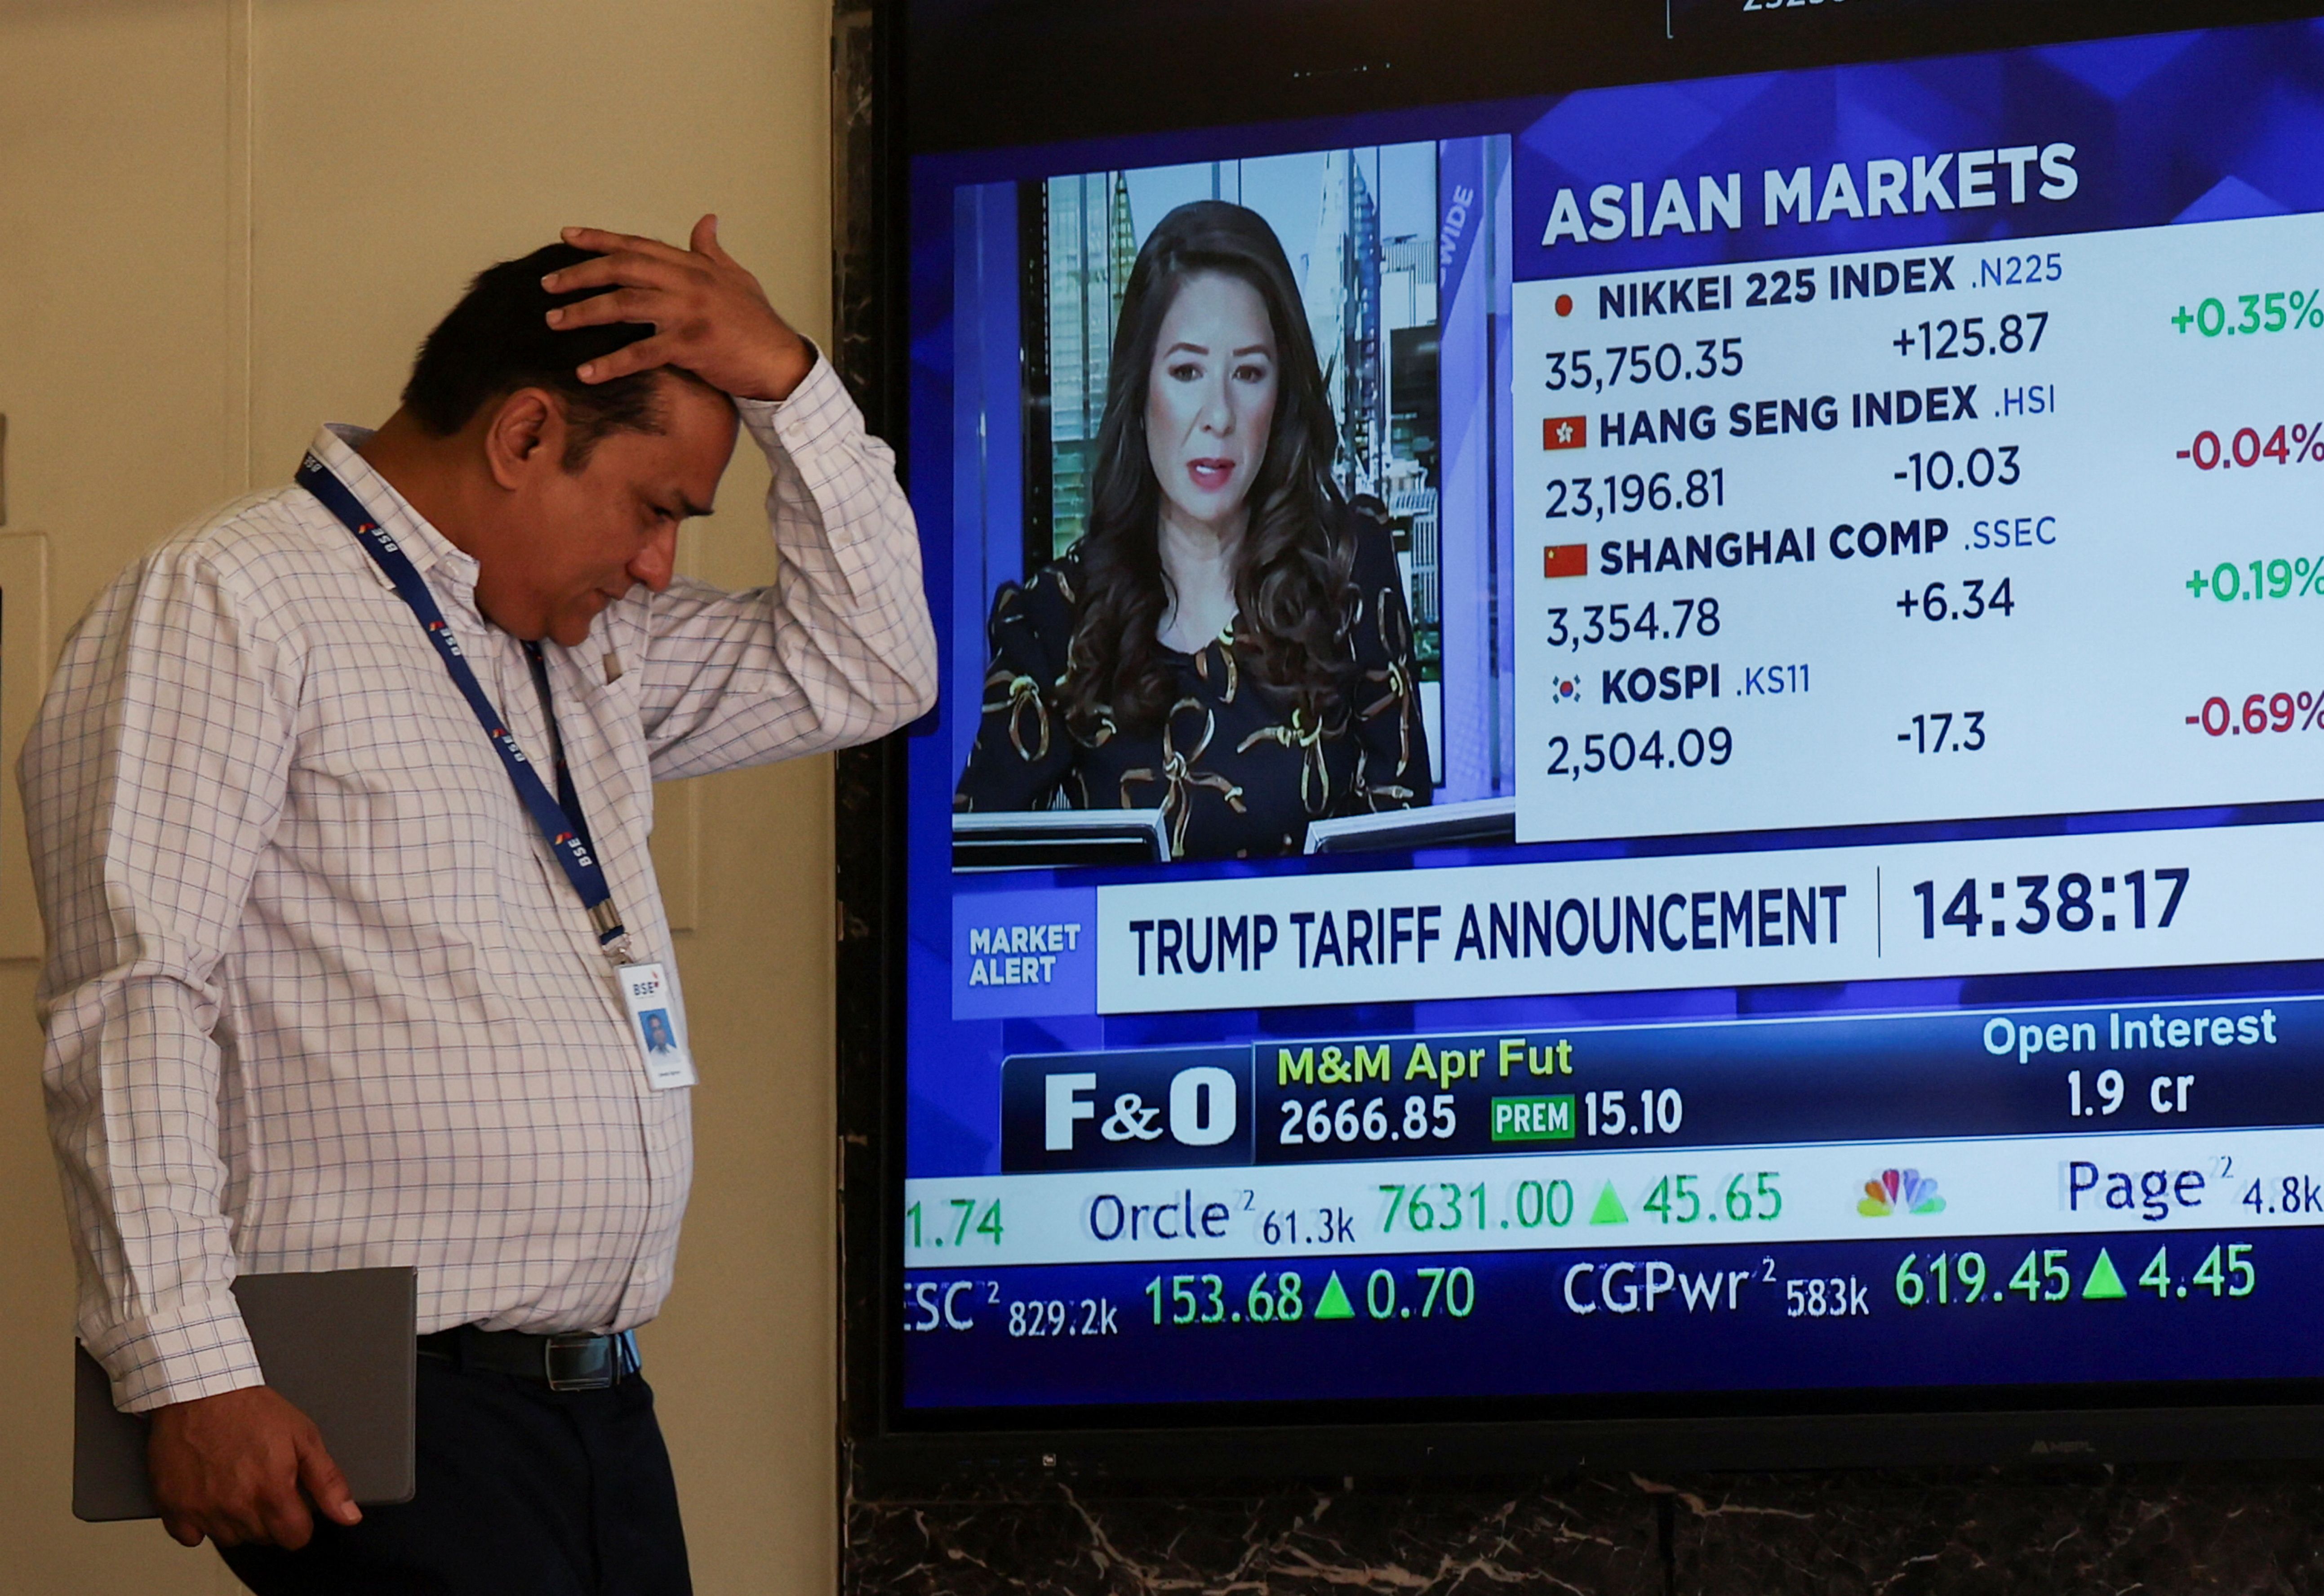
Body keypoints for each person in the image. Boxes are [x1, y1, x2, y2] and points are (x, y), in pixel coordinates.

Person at [24, 216, 934, 1593]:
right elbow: (135, 995)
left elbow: (874, 667)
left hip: (595, 1410)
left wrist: (789, 383)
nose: (656, 569)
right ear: (523, 437)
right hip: (385, 1415)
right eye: (655, 509)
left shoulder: (578, 648)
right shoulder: (232, 603)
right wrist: (188, 1375)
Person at [953, 200, 1430, 859]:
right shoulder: (1057, 616)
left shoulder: (1351, 568)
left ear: (1281, 395)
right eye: (1186, 372)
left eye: (1248, 374)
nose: (1219, 415)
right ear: (1141, 393)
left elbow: (1402, 859)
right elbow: (978, 877)